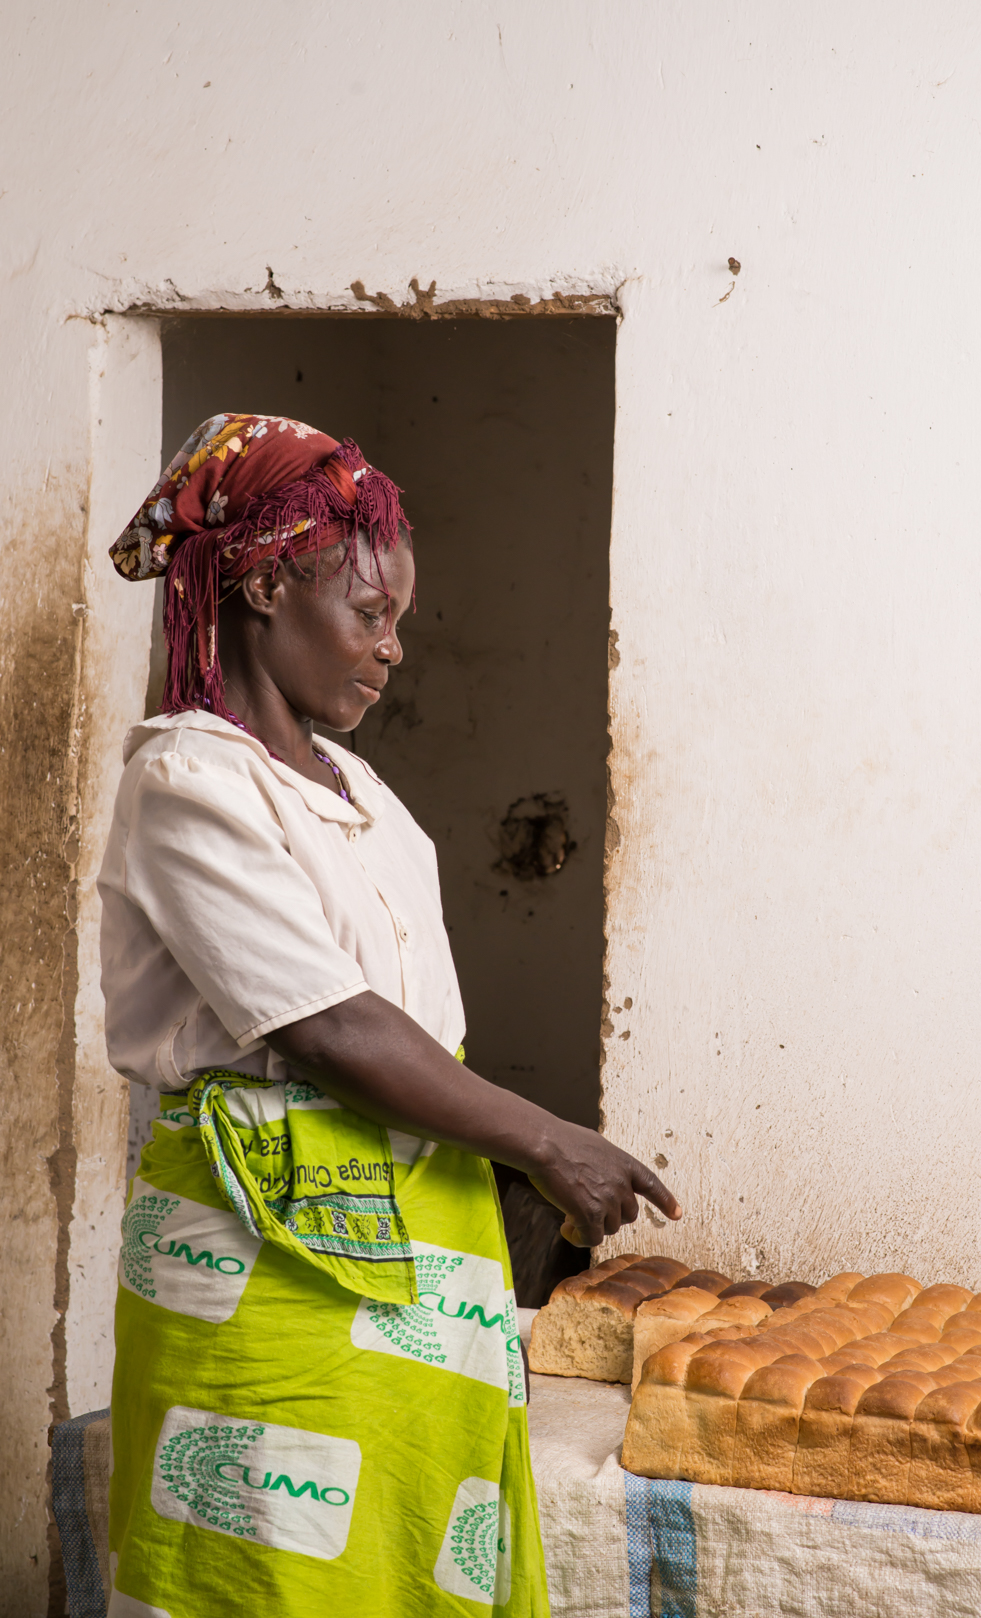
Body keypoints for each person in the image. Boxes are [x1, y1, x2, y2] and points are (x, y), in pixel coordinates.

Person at [99, 412, 680, 1618]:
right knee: (264, 1575)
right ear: (263, 584)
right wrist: (542, 1138)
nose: (394, 649)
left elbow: (408, 1029)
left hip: (422, 1270)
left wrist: (496, 1167)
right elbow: (334, 1028)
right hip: (265, 1269)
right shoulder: (188, 779)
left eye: (399, 621)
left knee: (412, 1566)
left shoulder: (357, 789)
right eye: (371, 616)